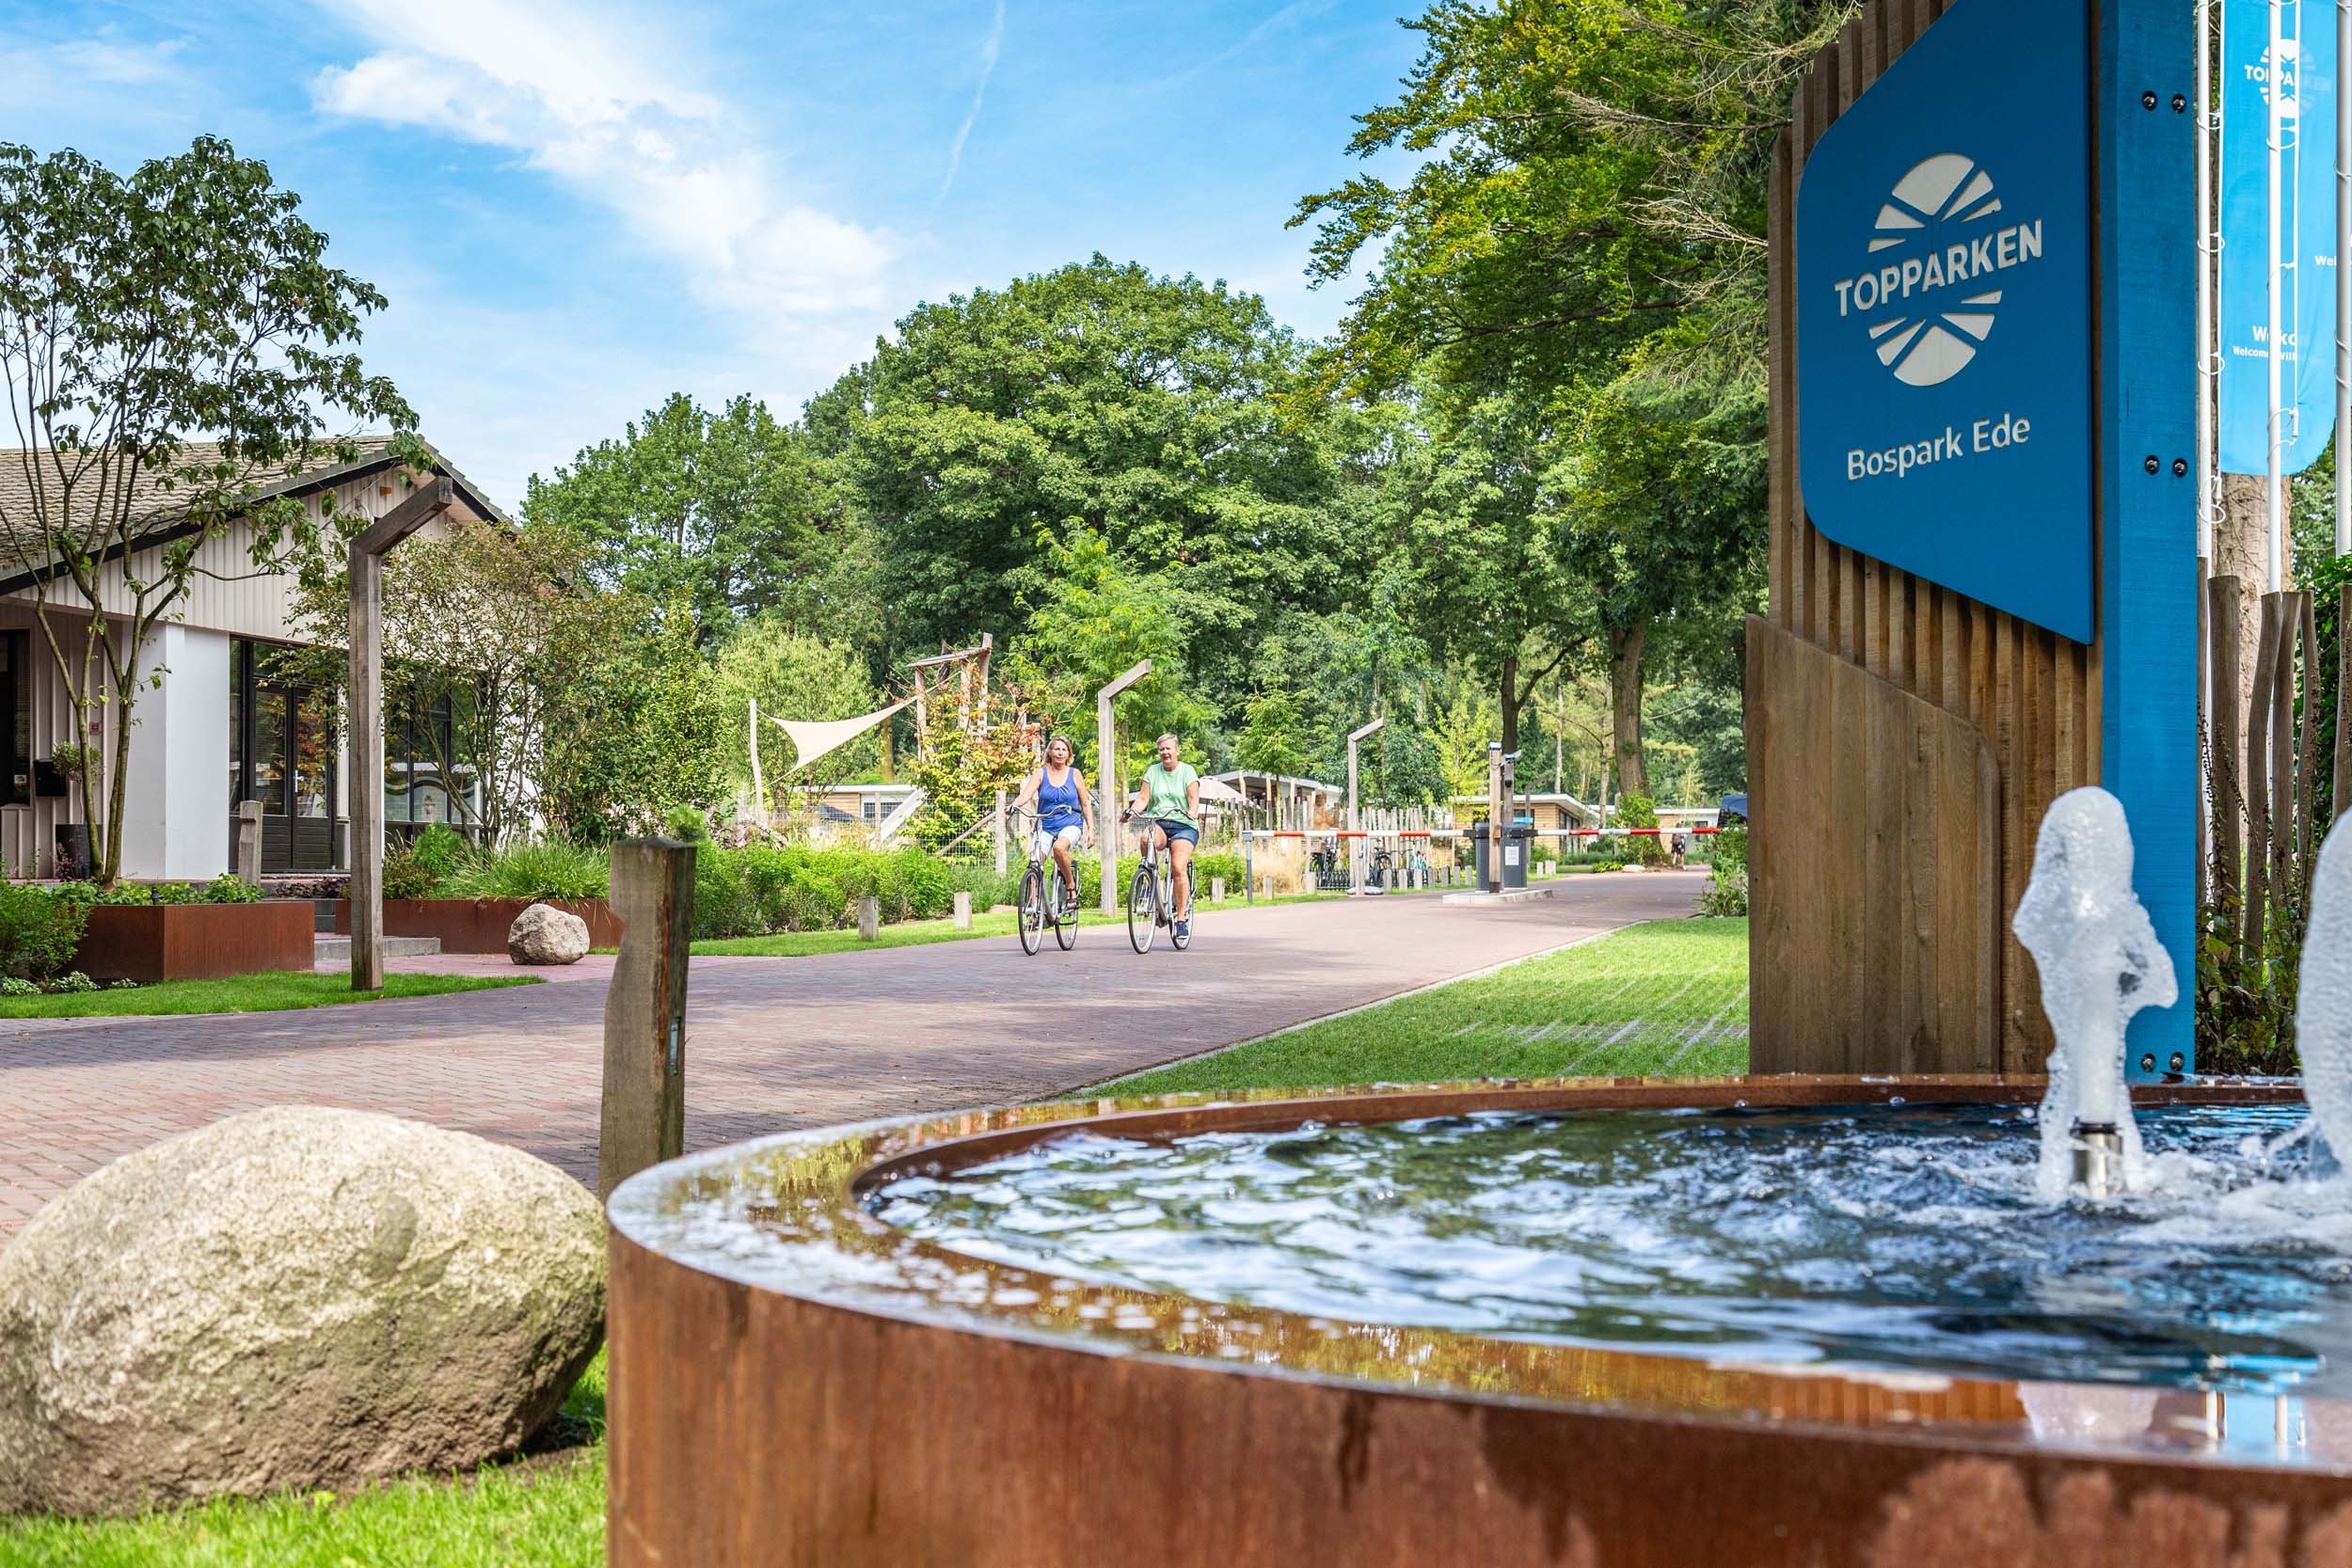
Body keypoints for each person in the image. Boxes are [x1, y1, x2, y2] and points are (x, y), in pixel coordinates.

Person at [1128, 732, 1201, 942]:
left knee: (1178, 867)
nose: (1165, 752)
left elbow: (1193, 798)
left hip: (1183, 825)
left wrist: (1193, 812)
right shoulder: (1153, 771)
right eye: (1161, 749)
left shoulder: (1187, 771)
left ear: (1176, 750)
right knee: (1145, 838)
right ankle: (1149, 878)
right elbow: (1143, 798)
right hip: (1159, 821)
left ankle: (1180, 919)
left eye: (1168, 748)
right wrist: (1132, 812)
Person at [1010, 734, 1094, 911]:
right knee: (1034, 862)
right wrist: (1013, 806)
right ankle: (1033, 908)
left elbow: (1085, 804)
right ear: (1050, 752)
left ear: (1069, 754)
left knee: (1059, 848)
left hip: (1070, 823)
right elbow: (1026, 795)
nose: (1060, 753)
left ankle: (1070, 887)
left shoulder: (1075, 774)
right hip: (1046, 825)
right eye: (1057, 749)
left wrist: (1091, 830)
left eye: (1064, 750)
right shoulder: (1040, 773)